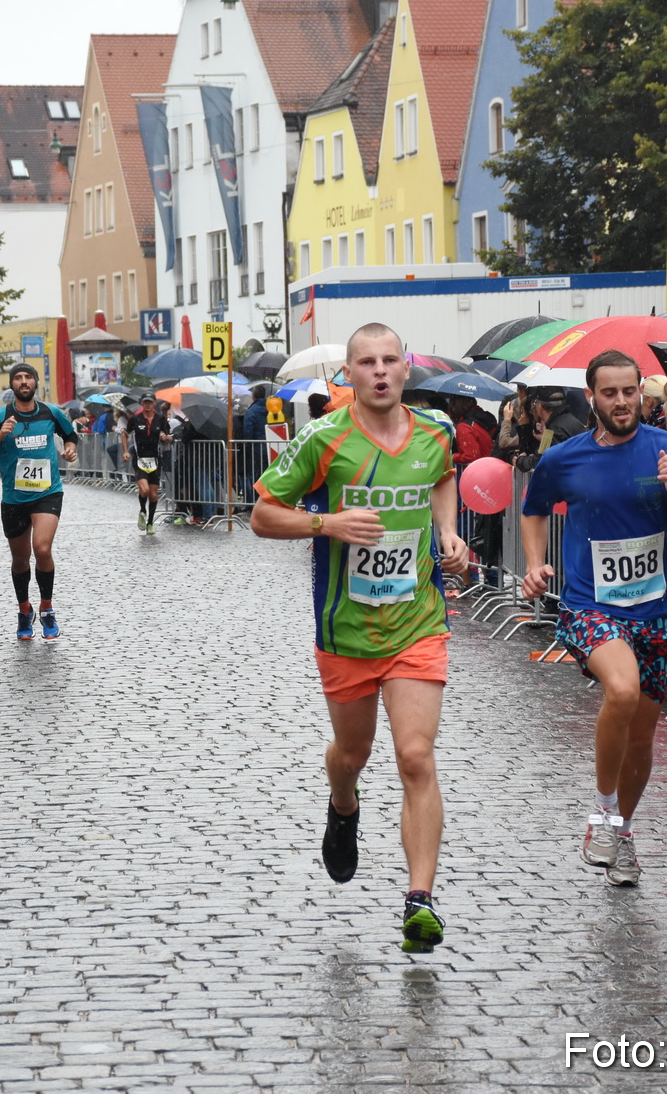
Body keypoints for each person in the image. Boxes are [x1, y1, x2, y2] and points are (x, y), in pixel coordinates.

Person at [251, 322, 469, 954]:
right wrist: (328, 523)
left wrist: (448, 535)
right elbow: (264, 515)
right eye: (366, 362)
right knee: (353, 755)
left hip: (418, 622)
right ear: (348, 375)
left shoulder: (437, 433)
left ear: (407, 370)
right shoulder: (324, 438)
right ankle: (342, 805)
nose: (379, 371)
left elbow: (442, 479)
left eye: (390, 360)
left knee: (415, 757)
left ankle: (419, 901)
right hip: (345, 630)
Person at [520, 350, 667, 888]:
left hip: (655, 611)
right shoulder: (567, 458)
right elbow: (534, 508)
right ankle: (602, 815)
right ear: (592, 398)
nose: (623, 402)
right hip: (590, 605)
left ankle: (621, 834)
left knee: (643, 736)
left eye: (630, 391)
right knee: (623, 692)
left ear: (642, 394)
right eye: (610, 393)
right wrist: (535, 564)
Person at [0, 363, 78, 640]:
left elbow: (71, 434)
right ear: (12, 385)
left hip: (47, 492)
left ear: (35, 383)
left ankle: (46, 607)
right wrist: (0, 435)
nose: (23, 382)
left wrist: (70, 449)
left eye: (28, 377)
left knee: (42, 549)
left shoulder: (51, 412)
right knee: (20, 560)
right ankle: (24, 610)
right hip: (14, 498)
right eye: (18, 378)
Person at [124, 394, 171, 533]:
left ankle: (150, 523)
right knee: (144, 490)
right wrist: (126, 451)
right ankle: (142, 511)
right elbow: (124, 433)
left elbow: (168, 435)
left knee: (153, 494)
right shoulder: (135, 419)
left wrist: (165, 437)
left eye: (150, 402)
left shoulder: (160, 418)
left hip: (155, 460)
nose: (148, 405)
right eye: (145, 402)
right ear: (141, 403)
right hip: (140, 459)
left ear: (154, 403)